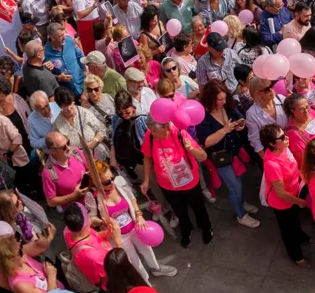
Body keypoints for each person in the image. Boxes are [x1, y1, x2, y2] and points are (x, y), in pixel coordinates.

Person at [84, 159, 177, 280]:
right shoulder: (92, 196)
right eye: (107, 182)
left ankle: (156, 268)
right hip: (118, 236)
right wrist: (102, 221)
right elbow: (91, 218)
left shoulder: (119, 182)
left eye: (112, 178)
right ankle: (144, 281)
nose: (112, 183)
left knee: (147, 249)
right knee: (133, 260)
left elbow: (132, 198)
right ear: (97, 183)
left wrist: (139, 214)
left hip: (134, 226)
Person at [140, 113, 211, 247]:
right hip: (167, 185)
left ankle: (206, 227)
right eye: (151, 130)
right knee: (179, 210)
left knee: (198, 207)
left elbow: (203, 157)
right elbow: (147, 158)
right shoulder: (150, 136)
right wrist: (146, 180)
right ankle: (186, 229)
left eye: (155, 131)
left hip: (189, 183)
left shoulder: (180, 134)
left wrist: (191, 148)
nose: (152, 133)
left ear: (166, 127)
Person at [195, 79, 259, 228]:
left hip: (236, 152)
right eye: (219, 99)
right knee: (234, 187)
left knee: (239, 183)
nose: (223, 102)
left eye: (224, 98)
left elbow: (239, 118)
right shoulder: (203, 115)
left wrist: (240, 125)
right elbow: (206, 142)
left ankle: (241, 202)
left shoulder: (228, 105)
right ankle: (241, 215)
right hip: (221, 157)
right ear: (210, 99)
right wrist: (225, 130)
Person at [260, 123, 310, 266]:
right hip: (282, 202)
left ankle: (301, 236)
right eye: (281, 137)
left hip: (293, 194)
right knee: (288, 230)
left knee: (295, 220)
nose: (286, 138)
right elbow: (280, 193)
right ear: (272, 144)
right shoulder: (272, 164)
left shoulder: (284, 149)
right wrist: (299, 201)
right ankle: (297, 256)